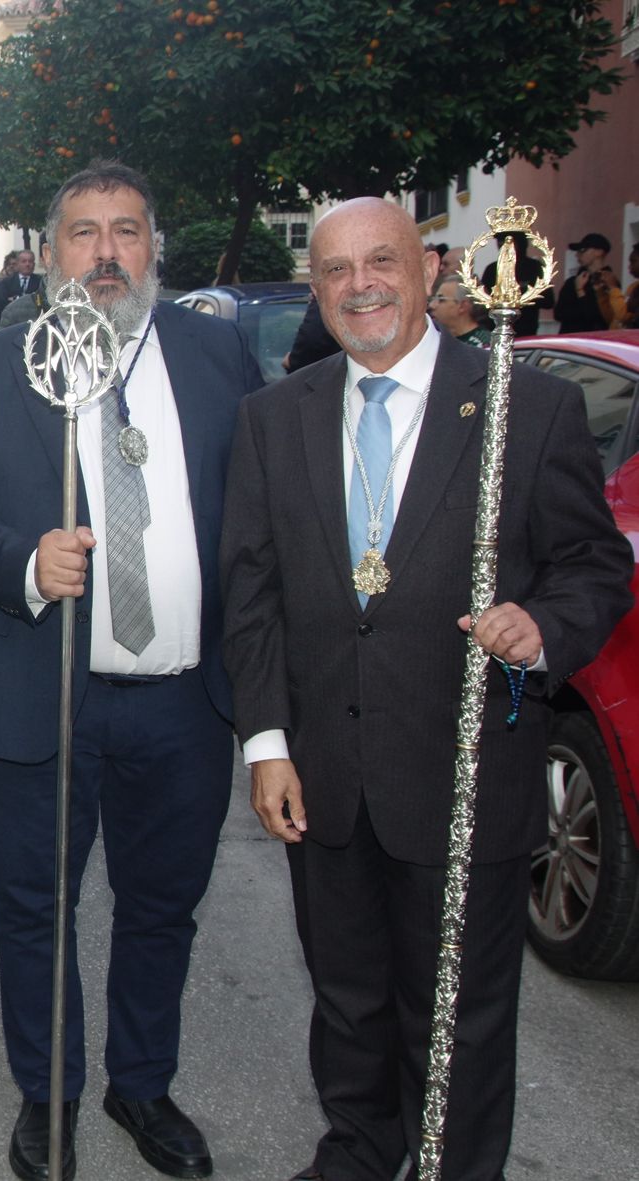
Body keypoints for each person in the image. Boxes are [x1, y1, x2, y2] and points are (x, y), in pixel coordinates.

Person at [221, 197, 631, 1181]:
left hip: (463, 769)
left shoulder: (519, 407)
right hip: (323, 771)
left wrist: (542, 628)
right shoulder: (273, 417)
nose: (358, 285)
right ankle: (359, 1148)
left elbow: (592, 565)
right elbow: (251, 589)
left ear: (427, 268)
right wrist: (266, 742)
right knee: (346, 994)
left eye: (379, 262)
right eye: (333, 270)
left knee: (461, 1014)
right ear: (316, 289)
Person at [0, 161, 264, 1181]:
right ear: (45, 251)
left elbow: (255, 524)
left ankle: (140, 1081)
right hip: (44, 692)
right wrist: (25, 561)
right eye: (83, 232)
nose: (106, 252)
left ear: (153, 247)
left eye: (125, 230)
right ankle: (50, 1092)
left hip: (182, 704)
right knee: (36, 909)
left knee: (162, 906)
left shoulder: (215, 355)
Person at [554, 231, 628, 333]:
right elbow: (558, 313)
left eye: (583, 250)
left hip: (593, 341)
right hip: (569, 340)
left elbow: (600, 316)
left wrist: (581, 294)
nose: (578, 255)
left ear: (599, 252)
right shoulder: (572, 282)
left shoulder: (610, 283)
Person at [480, 232, 552, 336]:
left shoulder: (534, 267)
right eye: (500, 243)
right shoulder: (492, 269)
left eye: (507, 243)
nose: (502, 247)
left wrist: (521, 295)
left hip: (526, 329)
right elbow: (484, 300)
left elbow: (548, 301)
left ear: (520, 244)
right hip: (496, 328)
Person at [427, 273, 493, 347]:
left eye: (441, 300)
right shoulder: (437, 340)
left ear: (462, 306)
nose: (431, 305)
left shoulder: (484, 345)